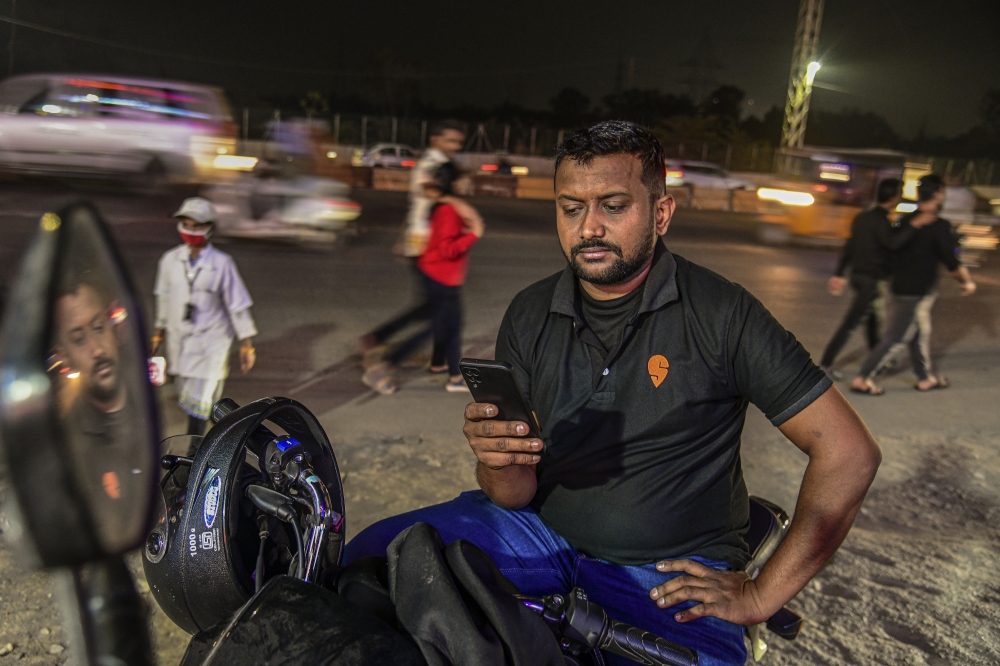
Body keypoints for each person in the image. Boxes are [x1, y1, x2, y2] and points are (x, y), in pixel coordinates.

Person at [345, 121, 882, 666]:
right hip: (535, 535)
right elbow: (511, 494)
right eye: (571, 207)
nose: (589, 228)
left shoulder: (723, 315)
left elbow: (849, 455)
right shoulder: (530, 312)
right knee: (363, 563)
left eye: (614, 206)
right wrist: (497, 458)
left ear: (661, 213)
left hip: (666, 578)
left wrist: (759, 595)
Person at [357, 122, 482, 375]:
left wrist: (402, 237)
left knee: (431, 307)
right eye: (450, 141)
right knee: (442, 313)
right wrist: (458, 202)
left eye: (458, 143)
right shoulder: (433, 164)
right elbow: (430, 190)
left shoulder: (436, 162)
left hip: (423, 241)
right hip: (430, 245)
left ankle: (391, 343)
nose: (455, 147)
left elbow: (415, 203)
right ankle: (394, 359)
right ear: (435, 139)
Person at [851, 174, 976, 395]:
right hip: (916, 292)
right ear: (938, 194)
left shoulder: (904, 221)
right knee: (896, 338)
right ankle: (863, 378)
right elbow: (952, 262)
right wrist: (967, 282)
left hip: (900, 287)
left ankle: (925, 378)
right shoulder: (939, 226)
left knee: (921, 332)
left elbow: (890, 250)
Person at [150, 197, 258, 436]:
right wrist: (158, 334)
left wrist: (246, 345)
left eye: (197, 226)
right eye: (186, 224)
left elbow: (237, 306)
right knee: (188, 397)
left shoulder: (222, 264)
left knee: (200, 401)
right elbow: (163, 299)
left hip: (212, 342)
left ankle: (196, 448)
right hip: (181, 340)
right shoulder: (169, 260)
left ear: (210, 228)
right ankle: (225, 434)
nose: (190, 231)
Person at [53, 282, 146, 552]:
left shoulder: (148, 397)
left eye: (98, 328)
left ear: (114, 327)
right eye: (79, 339)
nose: (97, 349)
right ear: (63, 355)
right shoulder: (71, 440)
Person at [820, 178, 911, 378]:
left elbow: (850, 246)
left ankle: (879, 360)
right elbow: (893, 244)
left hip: (858, 276)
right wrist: (911, 227)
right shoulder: (883, 221)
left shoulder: (862, 217)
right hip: (871, 279)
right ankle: (824, 365)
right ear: (894, 197)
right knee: (850, 324)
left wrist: (839, 273)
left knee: (872, 320)